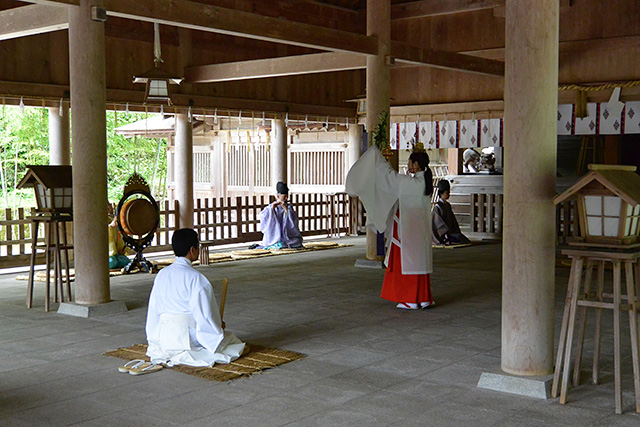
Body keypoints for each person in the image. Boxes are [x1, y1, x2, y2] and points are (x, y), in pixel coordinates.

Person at [346, 145, 434, 310]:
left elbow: (389, 177)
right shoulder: (425, 182)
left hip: (406, 230)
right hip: (421, 232)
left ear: (416, 165)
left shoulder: (410, 182)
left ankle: (410, 299)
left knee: (407, 263)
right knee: (420, 263)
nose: (408, 165)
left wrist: (377, 159)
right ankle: (423, 297)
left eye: (410, 162)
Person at [145, 228, 245, 367]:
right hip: (186, 337)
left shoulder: (162, 274)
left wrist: (153, 337)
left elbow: (154, 309)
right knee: (232, 343)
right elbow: (205, 314)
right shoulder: (196, 279)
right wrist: (217, 328)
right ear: (192, 250)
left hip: (162, 335)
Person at [257, 181, 303, 249]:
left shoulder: (289, 207)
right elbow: (263, 217)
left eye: (287, 196)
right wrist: (272, 210)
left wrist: (286, 210)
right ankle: (277, 242)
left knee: (297, 242)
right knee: (280, 244)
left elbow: (294, 222)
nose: (286, 198)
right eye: (284, 196)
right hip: (275, 237)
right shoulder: (270, 207)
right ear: (278, 196)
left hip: (288, 237)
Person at [432, 180, 470, 245]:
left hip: (451, 232)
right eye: (447, 193)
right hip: (442, 235)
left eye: (449, 193)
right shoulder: (437, 207)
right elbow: (438, 224)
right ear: (441, 194)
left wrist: (455, 230)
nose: (449, 195)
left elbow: (453, 221)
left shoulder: (447, 205)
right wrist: (446, 233)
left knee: (463, 239)